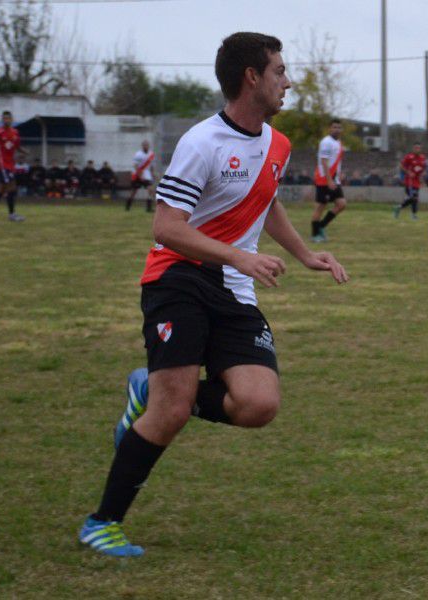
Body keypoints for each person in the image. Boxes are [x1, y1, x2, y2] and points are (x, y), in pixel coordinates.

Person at [77, 31, 348, 558]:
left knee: (258, 404)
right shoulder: (202, 143)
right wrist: (238, 254)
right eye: (279, 71)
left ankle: (145, 390)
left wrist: (303, 254)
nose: (287, 81)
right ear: (252, 77)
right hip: (177, 279)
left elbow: (264, 201)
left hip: (233, 288)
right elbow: (166, 227)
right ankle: (102, 522)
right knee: (172, 410)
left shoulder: (278, 143)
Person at [311, 119, 346, 242]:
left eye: (339, 127)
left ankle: (321, 226)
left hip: (334, 179)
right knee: (321, 206)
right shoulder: (326, 142)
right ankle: (315, 235)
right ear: (330, 129)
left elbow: (336, 161)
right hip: (324, 179)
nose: (337, 129)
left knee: (341, 204)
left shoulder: (339, 142)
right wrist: (329, 180)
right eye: (334, 127)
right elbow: (324, 162)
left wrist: (340, 174)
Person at [394, 143, 426, 219]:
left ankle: (400, 208)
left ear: (420, 149)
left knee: (415, 198)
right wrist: (408, 172)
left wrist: (423, 173)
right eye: (415, 148)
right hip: (410, 181)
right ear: (413, 149)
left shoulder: (422, 157)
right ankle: (411, 214)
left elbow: (422, 168)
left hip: (417, 181)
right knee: (413, 197)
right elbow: (401, 166)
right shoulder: (409, 157)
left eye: (418, 148)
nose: (417, 149)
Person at [126, 140, 156, 211]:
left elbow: (151, 166)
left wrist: (153, 174)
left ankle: (149, 208)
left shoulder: (151, 154)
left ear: (148, 146)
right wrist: (140, 175)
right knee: (133, 191)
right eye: (144, 145)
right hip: (137, 175)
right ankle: (128, 206)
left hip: (146, 175)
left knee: (150, 190)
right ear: (142, 146)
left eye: (147, 145)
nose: (146, 146)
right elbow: (135, 165)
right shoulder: (138, 154)